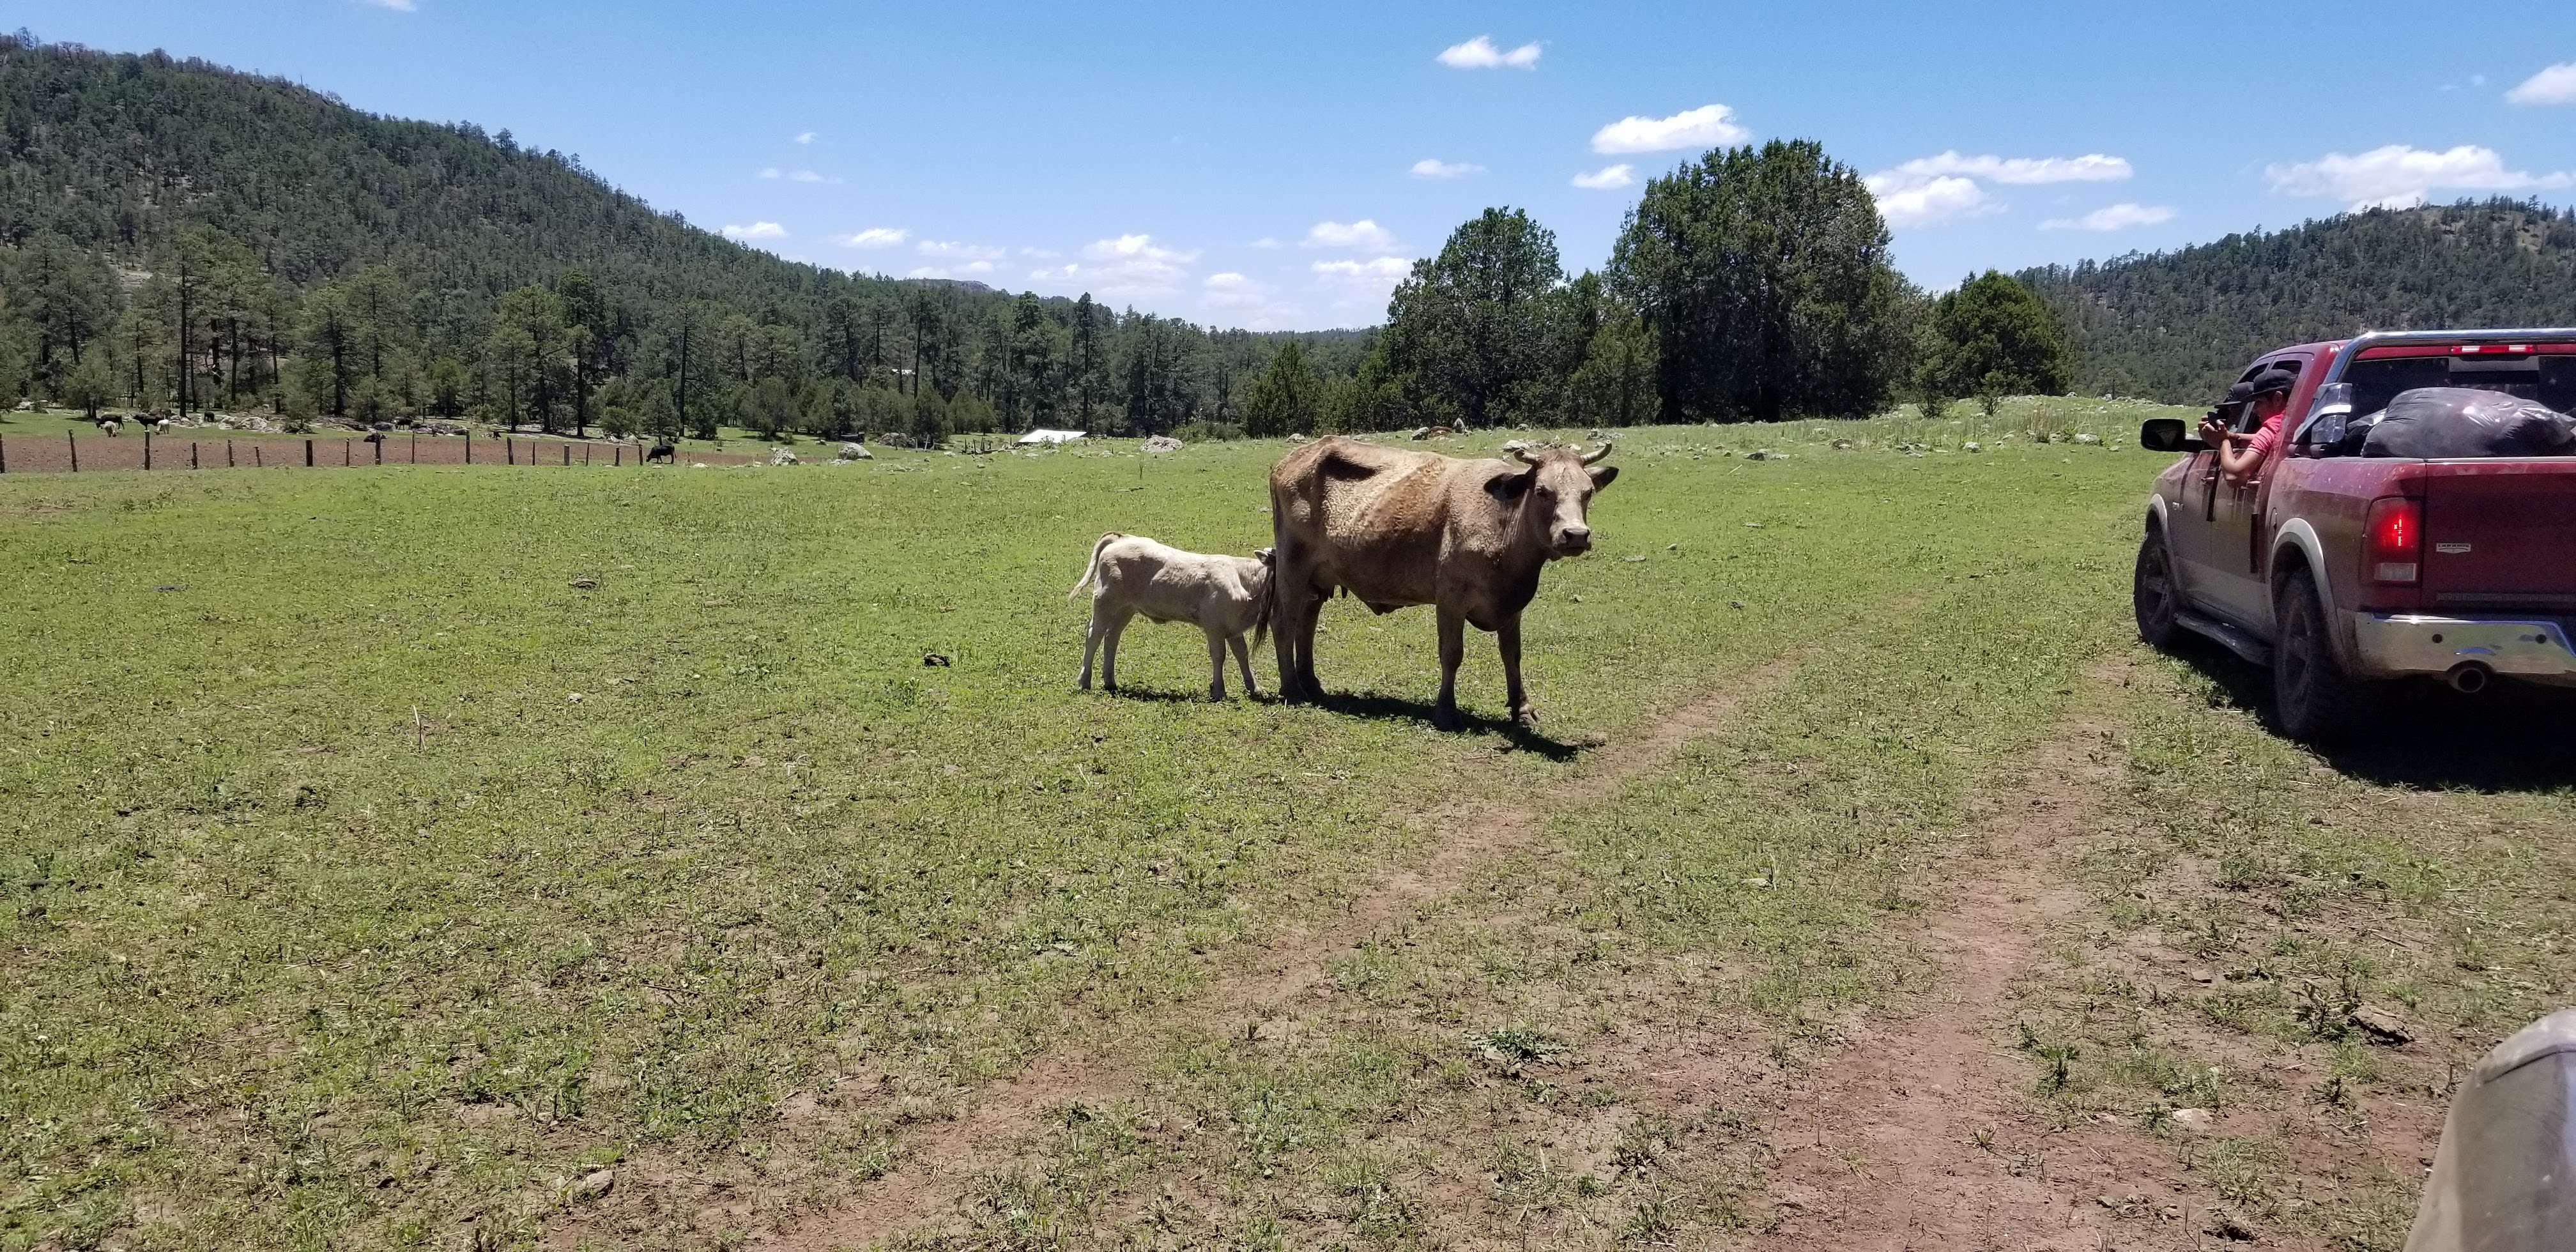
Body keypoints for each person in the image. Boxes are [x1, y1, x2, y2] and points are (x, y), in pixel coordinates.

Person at [2197, 367, 2297, 482]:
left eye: (2258, 403)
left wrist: (2222, 442)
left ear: (2278, 399)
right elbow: (2272, 439)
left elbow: (2234, 476)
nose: (2254, 409)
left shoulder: (2273, 424)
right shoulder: (2294, 423)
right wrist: (2232, 437)